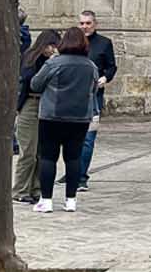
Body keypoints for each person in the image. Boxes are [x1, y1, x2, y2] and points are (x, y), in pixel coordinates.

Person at [27, 27, 99, 213]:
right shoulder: (90, 66)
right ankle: (71, 200)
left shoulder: (54, 63)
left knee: (48, 157)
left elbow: (35, 84)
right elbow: (93, 90)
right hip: (80, 118)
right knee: (73, 158)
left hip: (52, 116)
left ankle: (46, 200)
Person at [12, 28, 61, 204]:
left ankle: (36, 188)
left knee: (42, 151)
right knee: (28, 151)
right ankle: (20, 189)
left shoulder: (54, 61)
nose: (52, 50)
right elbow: (32, 82)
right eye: (50, 46)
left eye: (55, 46)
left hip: (47, 105)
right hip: (30, 105)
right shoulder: (31, 58)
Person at [75, 9, 117, 191]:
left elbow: (111, 67)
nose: (85, 27)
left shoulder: (104, 43)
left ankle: (81, 176)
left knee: (88, 138)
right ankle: (73, 171)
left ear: (95, 24)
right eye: (82, 23)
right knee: (72, 138)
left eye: (88, 23)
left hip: (93, 97)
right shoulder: (73, 42)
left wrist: (105, 78)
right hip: (73, 97)